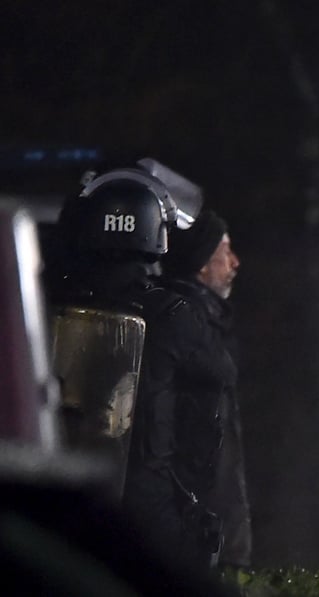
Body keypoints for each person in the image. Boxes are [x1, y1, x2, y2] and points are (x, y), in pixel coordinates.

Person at [50, 162, 231, 574]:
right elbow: (220, 376)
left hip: (70, 506)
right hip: (150, 517)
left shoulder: (55, 302)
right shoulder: (171, 313)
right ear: (154, 234)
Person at [160, 209, 251, 572]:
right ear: (200, 265)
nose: (235, 262)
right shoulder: (193, 332)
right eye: (224, 252)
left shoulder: (205, 327)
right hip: (201, 542)